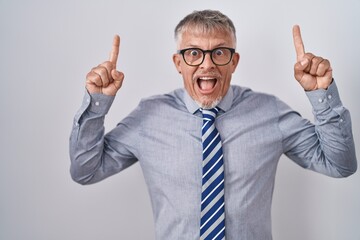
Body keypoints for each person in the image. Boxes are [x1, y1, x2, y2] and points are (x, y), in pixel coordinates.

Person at [69, 10, 357, 240]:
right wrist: (97, 104)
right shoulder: (149, 116)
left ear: (234, 61)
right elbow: (86, 171)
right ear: (178, 62)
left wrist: (321, 92)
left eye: (219, 52)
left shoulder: (269, 111)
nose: (206, 64)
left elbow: (339, 164)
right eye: (193, 53)